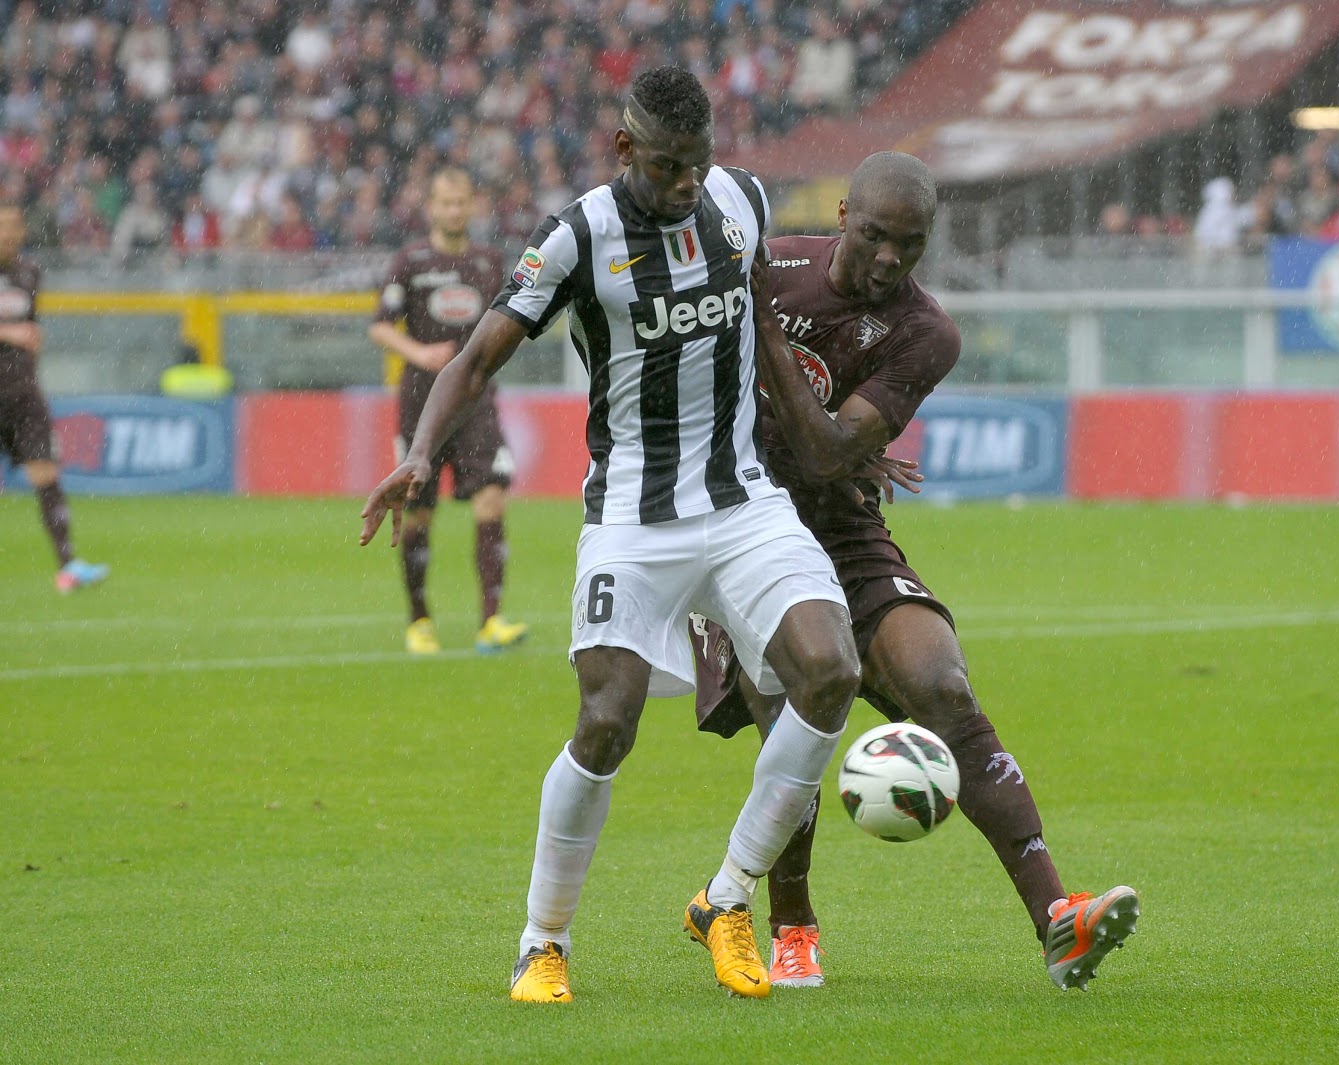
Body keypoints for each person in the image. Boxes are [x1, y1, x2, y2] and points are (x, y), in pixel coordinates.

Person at [360, 66, 885, 1004]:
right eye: (669, 165)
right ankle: (543, 941)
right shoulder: (577, 236)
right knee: (607, 721)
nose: (687, 184)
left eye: (699, 163)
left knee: (830, 670)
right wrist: (420, 452)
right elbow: (477, 357)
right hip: (631, 519)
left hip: (743, 504)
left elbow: (799, 304)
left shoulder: (742, 200)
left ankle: (727, 896)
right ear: (625, 149)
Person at [689, 152, 1140, 992]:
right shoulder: (772, 266)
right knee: (794, 720)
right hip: (742, 533)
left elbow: (826, 454)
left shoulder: (926, 332)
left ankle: (1058, 916)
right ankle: (792, 929)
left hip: (842, 528)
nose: (890, 258)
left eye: (911, 244)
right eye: (874, 236)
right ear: (842, 215)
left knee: (943, 685)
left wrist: (784, 368)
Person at [367, 167, 528, 655]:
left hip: (476, 401)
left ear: (471, 206)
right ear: (431, 208)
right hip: (422, 403)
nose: (454, 211)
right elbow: (380, 326)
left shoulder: (488, 262)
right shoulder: (411, 261)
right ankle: (419, 621)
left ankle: (491, 621)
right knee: (418, 512)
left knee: (492, 498)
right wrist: (419, 353)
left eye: (461, 203)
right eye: (446, 203)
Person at [0, 201, 109, 593]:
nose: (8, 233)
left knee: (46, 475)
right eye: (2, 226)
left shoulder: (29, 273)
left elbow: (30, 330)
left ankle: (68, 566)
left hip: (22, 394)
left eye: (14, 225)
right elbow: (17, 331)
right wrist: (8, 333)